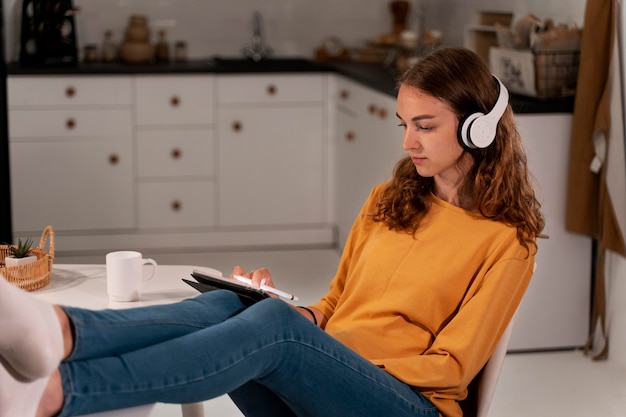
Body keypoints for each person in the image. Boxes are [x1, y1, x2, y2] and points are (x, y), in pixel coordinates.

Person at [0, 47, 544, 417]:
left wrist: (322, 348)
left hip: (402, 402)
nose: (409, 143)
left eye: (426, 126)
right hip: (329, 377)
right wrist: (299, 317)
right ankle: (61, 332)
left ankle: (57, 394)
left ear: (478, 128)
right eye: (405, 126)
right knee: (234, 307)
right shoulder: (389, 200)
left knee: (275, 330)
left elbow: (450, 369)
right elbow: (334, 304)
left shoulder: (505, 242)